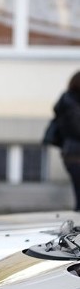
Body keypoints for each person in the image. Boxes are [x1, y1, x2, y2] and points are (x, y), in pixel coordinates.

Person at [54, 71, 80, 210]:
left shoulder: (68, 101)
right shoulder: (72, 104)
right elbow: (77, 128)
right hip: (75, 154)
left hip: (70, 152)